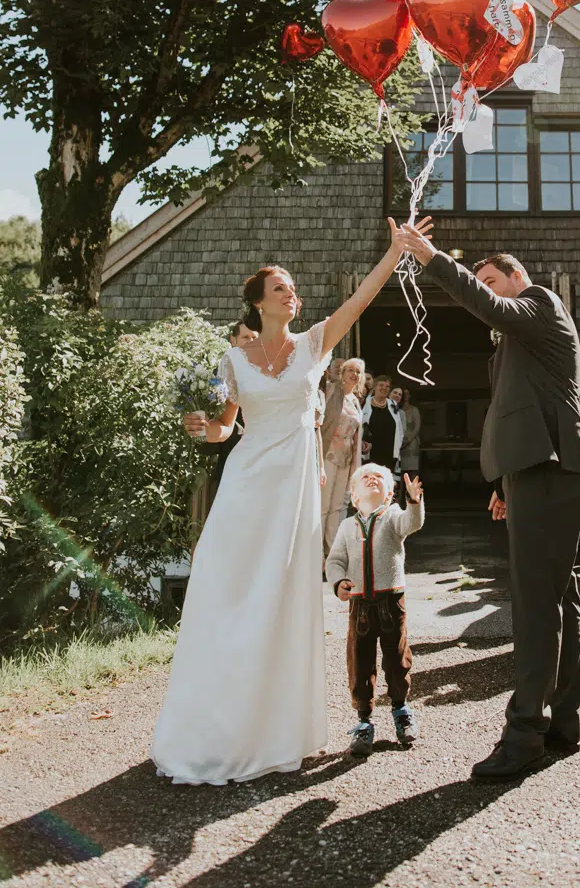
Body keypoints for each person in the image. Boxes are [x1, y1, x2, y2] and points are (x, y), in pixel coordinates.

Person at [151, 215, 432, 785]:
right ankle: (215, 720)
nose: (291, 292)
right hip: (246, 481)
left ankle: (273, 725)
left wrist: (395, 250)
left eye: (292, 287)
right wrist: (199, 427)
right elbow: (224, 430)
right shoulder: (232, 362)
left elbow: (360, 298)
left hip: (294, 487)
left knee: (277, 597)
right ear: (257, 301)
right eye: (280, 287)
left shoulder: (314, 345)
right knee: (225, 585)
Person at [398, 226, 580, 781]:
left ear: (518, 278)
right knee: (560, 598)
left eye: (492, 280)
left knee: (535, 603)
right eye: (480, 280)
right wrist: (504, 484)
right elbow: (517, 408)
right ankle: (561, 723)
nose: (486, 290)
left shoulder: (539, 304)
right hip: (538, 470)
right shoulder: (518, 340)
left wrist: (433, 259)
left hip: (553, 468)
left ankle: (523, 735)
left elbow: (490, 307)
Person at [325, 463, 424, 757]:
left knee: (396, 658)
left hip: (391, 602)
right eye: (364, 478)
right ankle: (364, 721)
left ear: (389, 494)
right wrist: (339, 581)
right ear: (354, 498)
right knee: (359, 662)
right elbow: (335, 561)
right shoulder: (346, 527)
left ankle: (400, 708)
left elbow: (412, 523)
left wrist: (414, 502)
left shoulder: (393, 517)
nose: (371, 479)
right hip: (360, 607)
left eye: (379, 477)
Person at [320, 358, 366, 557]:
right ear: (342, 372)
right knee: (323, 506)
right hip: (328, 453)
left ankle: (333, 553)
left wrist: (356, 465)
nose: (354, 374)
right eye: (350, 370)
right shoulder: (330, 391)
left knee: (339, 506)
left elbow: (357, 434)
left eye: (358, 372)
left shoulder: (355, 401)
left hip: (346, 457)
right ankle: (317, 554)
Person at [207, 321, 258, 496]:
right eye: (246, 337)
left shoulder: (268, 372)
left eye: (254, 337)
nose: (251, 341)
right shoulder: (219, 375)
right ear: (233, 340)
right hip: (230, 451)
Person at [362, 376, 404, 471]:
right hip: (370, 456)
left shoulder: (393, 404)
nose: (384, 388)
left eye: (387, 386)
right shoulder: (365, 403)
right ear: (375, 387)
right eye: (381, 385)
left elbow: (400, 431)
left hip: (389, 456)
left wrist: (397, 451)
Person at [399, 387, 421, 480]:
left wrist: (408, 440)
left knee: (412, 472)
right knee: (400, 471)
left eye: (407, 394)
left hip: (411, 444)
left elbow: (417, 427)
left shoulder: (414, 410)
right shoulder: (397, 409)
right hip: (399, 444)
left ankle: (413, 493)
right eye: (404, 394)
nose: (405, 396)